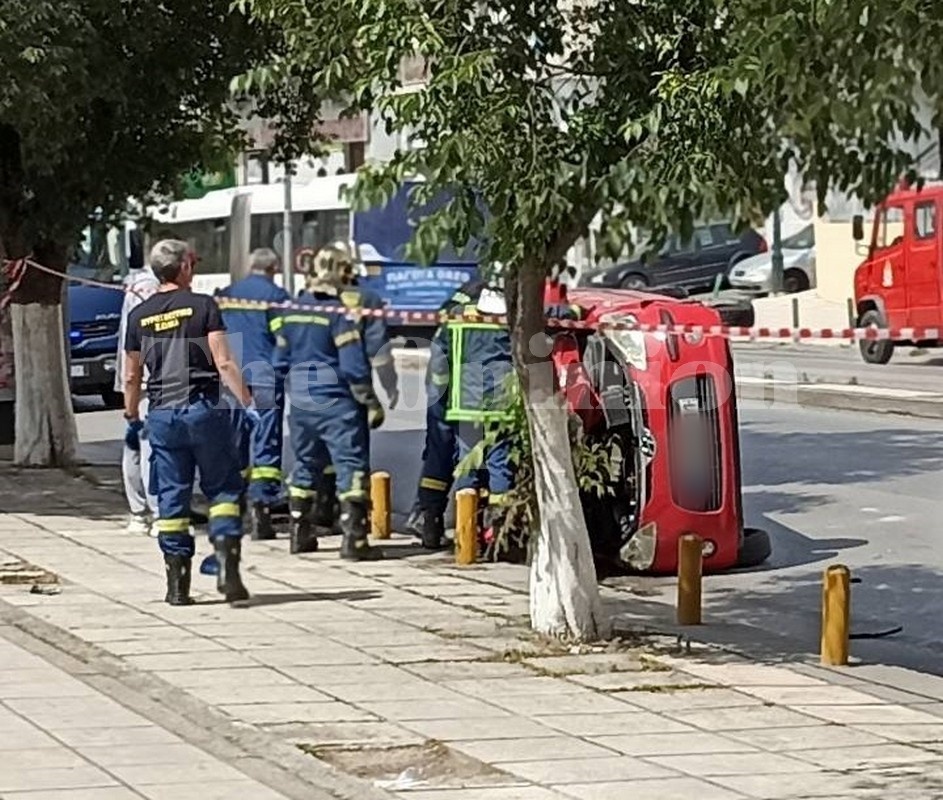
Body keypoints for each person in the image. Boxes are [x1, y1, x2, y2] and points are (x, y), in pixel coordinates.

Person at [123, 239, 255, 606]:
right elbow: (224, 362)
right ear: (182, 268)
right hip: (203, 409)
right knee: (225, 489)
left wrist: (131, 414)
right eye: (191, 263)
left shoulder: (139, 316)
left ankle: (177, 586)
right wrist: (246, 400)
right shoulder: (202, 306)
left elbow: (132, 375)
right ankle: (228, 565)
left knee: (171, 496)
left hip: (163, 414)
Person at [274, 248, 385, 559]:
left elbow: (279, 359)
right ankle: (354, 542)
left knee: (305, 464)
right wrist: (371, 401)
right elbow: (352, 365)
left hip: (302, 403)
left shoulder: (291, 310)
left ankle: (300, 535)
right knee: (351, 468)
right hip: (337, 404)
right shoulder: (338, 314)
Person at [307, 241, 398, 534]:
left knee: (315, 451)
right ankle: (353, 528)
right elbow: (378, 350)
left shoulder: (307, 297)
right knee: (351, 453)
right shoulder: (367, 299)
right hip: (350, 387)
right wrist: (388, 387)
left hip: (310, 386)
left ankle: (322, 509)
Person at [428, 278, 516, 545]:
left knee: (468, 464)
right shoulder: (511, 319)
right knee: (500, 464)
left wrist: (438, 395)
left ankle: (466, 535)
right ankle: (500, 534)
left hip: (466, 403)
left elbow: (440, 357)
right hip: (502, 403)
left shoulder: (459, 317)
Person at [405, 276, 486, 549]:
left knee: (438, 459)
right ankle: (468, 535)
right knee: (469, 460)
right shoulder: (491, 310)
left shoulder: (457, 302)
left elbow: (439, 357)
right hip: (466, 398)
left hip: (444, 396)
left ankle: (429, 522)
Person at [215, 248, 290, 540]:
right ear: (274, 267)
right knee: (266, 440)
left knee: (236, 441)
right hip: (265, 375)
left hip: (232, 377)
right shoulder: (277, 296)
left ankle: (234, 504)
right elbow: (283, 339)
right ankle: (262, 506)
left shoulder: (228, 293)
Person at [115, 258, 160, 535]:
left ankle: (138, 513)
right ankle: (155, 513)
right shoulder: (150, 289)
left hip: (134, 377)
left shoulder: (135, 284)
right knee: (149, 449)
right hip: (147, 379)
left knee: (133, 446)